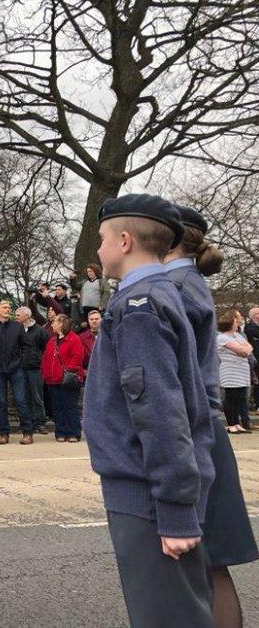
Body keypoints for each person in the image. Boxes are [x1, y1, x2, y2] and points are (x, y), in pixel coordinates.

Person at [83, 194, 215, 628]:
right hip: (154, 490)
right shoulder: (156, 294)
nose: (97, 249)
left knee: (167, 616)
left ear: (123, 241)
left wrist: (175, 509)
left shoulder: (138, 305)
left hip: (149, 496)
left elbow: (160, 409)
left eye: (101, 238)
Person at [166, 205, 258, 628]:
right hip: (207, 423)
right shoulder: (190, 280)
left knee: (206, 561)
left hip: (193, 427)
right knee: (211, 561)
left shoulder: (175, 284)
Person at [0, 301, 33, 444]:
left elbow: (26, 346)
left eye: (9, 308)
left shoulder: (17, 327)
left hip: (16, 368)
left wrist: (21, 362)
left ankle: (27, 432)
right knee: (1, 402)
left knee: (21, 400)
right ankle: (4, 433)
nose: (8, 309)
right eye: (4, 307)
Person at [41, 314, 84, 442]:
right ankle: (60, 432)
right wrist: (44, 372)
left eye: (54, 322)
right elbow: (46, 358)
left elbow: (77, 357)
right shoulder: (52, 340)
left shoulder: (73, 339)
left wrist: (66, 370)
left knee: (70, 406)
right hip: (52, 380)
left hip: (67, 379)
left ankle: (73, 433)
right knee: (57, 407)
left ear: (61, 324)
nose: (52, 324)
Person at [14, 306, 50, 435]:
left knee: (37, 396)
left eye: (18, 315)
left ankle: (40, 422)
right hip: (19, 367)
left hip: (35, 367)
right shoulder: (16, 330)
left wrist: (40, 361)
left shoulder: (40, 331)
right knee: (23, 398)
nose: (16, 317)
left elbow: (46, 349)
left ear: (27, 316)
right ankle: (26, 423)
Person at [217, 310, 252, 435]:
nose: (237, 324)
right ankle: (231, 424)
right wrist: (244, 349)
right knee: (231, 398)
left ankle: (237, 423)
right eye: (235, 323)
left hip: (241, 370)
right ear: (230, 324)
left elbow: (249, 348)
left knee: (239, 398)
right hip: (230, 371)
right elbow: (241, 351)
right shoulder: (222, 337)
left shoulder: (237, 336)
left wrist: (245, 349)